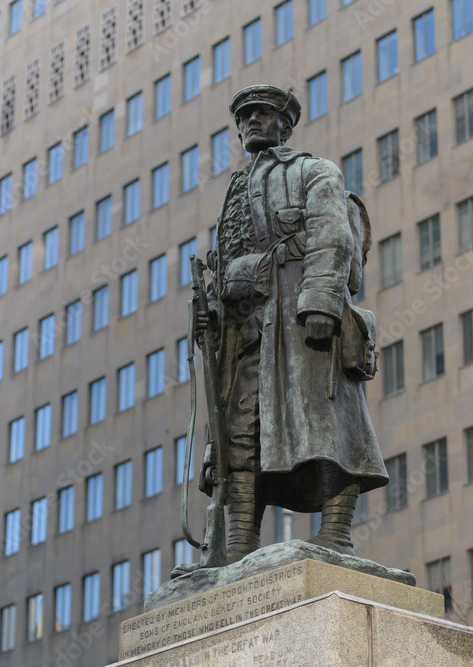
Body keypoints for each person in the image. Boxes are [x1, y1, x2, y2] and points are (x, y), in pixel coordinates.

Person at [196, 84, 388, 564]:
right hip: (246, 332)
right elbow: (227, 260)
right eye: (243, 117)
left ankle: (337, 533)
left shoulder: (314, 171)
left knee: (328, 426)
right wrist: (212, 309)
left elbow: (333, 235)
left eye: (261, 114)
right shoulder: (235, 190)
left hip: (298, 321)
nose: (250, 123)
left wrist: (320, 303)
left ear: (285, 123)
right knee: (239, 433)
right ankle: (238, 543)